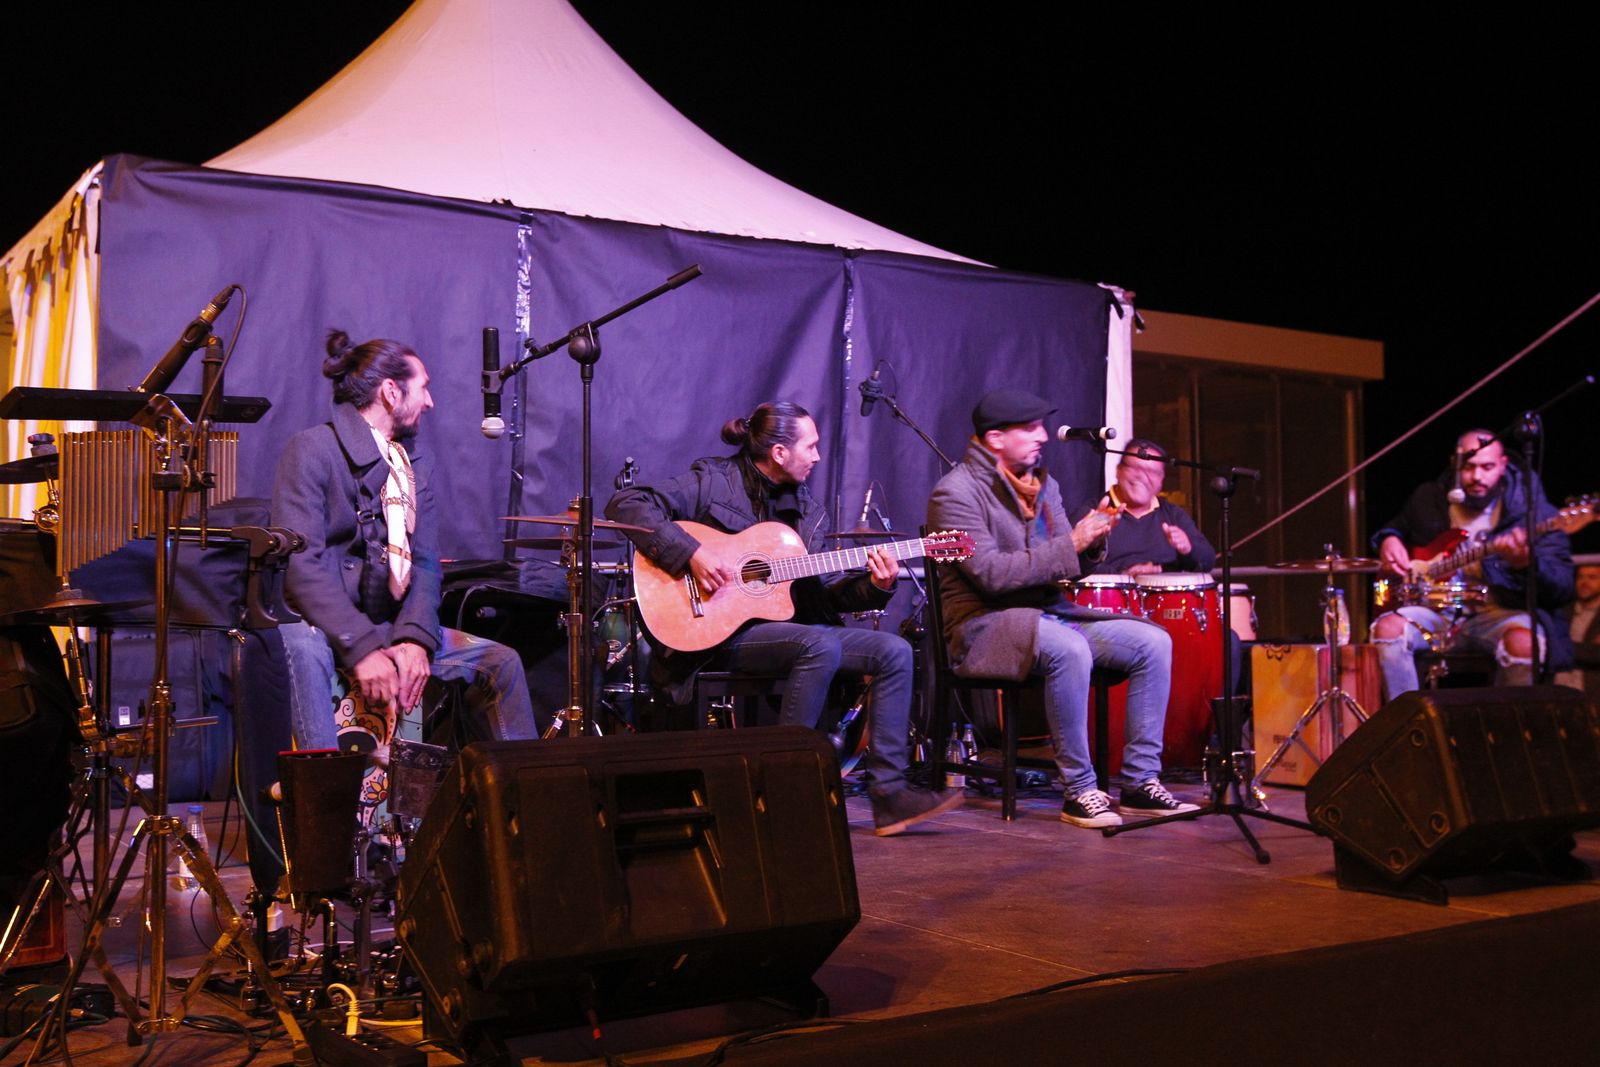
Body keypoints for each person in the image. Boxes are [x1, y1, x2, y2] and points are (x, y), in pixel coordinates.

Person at [606, 401, 962, 836]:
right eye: (810, 446)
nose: (816, 456)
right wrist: (693, 553)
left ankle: (889, 794)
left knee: (893, 650)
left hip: (779, 632)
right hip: (712, 635)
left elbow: (825, 598)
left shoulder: (808, 512)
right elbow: (627, 503)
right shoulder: (713, 480)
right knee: (820, 644)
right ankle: (780, 786)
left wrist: (878, 585)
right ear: (779, 453)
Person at [926, 389, 1197, 829]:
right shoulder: (954, 494)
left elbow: (1064, 563)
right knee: (1069, 649)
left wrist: (1095, 540)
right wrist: (1072, 543)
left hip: (1049, 613)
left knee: (1152, 640)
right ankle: (1080, 791)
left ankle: (1140, 783)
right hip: (982, 625)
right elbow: (992, 575)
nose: (1044, 436)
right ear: (995, 438)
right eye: (1030, 427)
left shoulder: (1043, 484)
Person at [272, 330, 539, 753]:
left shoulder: (413, 462)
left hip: (388, 623)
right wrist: (362, 648)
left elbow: (426, 562)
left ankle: (520, 799)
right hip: (328, 627)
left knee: (500, 664)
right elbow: (301, 567)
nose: (430, 402)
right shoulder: (311, 450)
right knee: (303, 648)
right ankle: (321, 805)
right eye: (424, 388)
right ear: (391, 392)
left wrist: (414, 637)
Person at [1371, 429, 1575, 699]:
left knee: (1524, 644)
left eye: (1487, 467)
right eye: (1469, 467)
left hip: (1500, 611)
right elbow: (1396, 527)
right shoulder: (1429, 497)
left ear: (1503, 465)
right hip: (1437, 611)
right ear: (1455, 464)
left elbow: (1562, 585)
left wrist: (1525, 564)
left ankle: (1504, 731)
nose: (1477, 477)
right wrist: (1388, 539)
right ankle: (1408, 725)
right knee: (1387, 629)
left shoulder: (1534, 511)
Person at [1076, 438, 1215, 576]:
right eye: (1135, 468)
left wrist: (1188, 548)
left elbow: (1208, 561)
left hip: (1165, 595)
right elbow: (1072, 564)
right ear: (1118, 471)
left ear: (1161, 481)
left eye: (1152, 472)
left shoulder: (1173, 515)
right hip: (1111, 596)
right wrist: (1124, 576)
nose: (1142, 476)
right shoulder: (1094, 512)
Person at [1554, 564, 1600, 698]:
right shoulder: (1562, 611)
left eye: (1592, 577)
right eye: (1580, 577)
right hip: (1557, 692)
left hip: (1591, 695)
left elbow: (1596, 655)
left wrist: (1560, 647)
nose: (1584, 582)